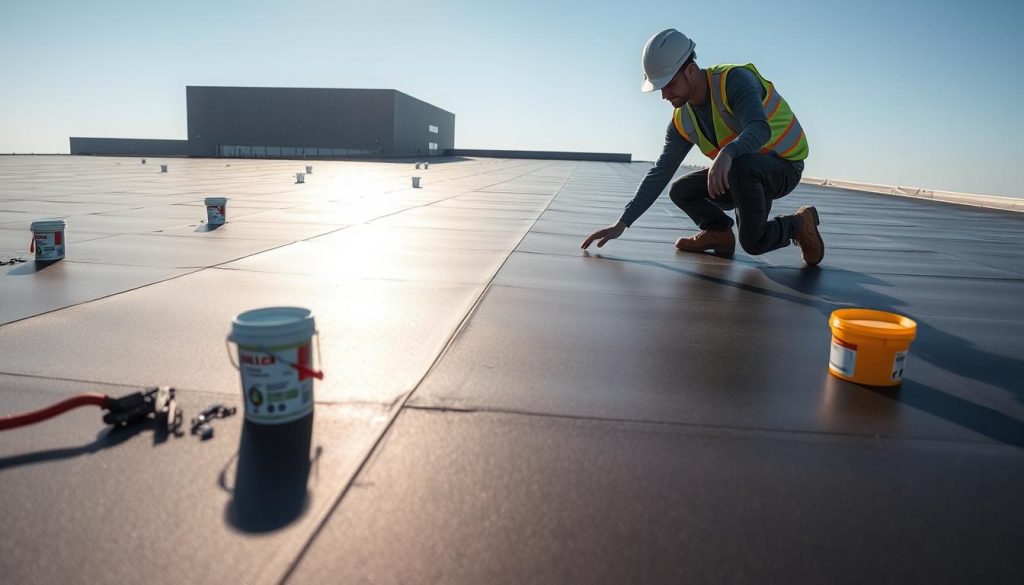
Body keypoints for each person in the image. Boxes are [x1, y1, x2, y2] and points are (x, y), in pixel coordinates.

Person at [581, 29, 824, 266]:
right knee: (680, 189)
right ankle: (719, 232)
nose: (664, 94)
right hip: (743, 172)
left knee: (754, 242)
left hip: (784, 167)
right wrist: (622, 223)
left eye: (670, 83)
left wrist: (727, 152)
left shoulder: (734, 81)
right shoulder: (682, 120)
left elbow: (760, 128)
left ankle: (801, 224)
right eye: (660, 87)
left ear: (691, 69)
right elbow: (660, 172)